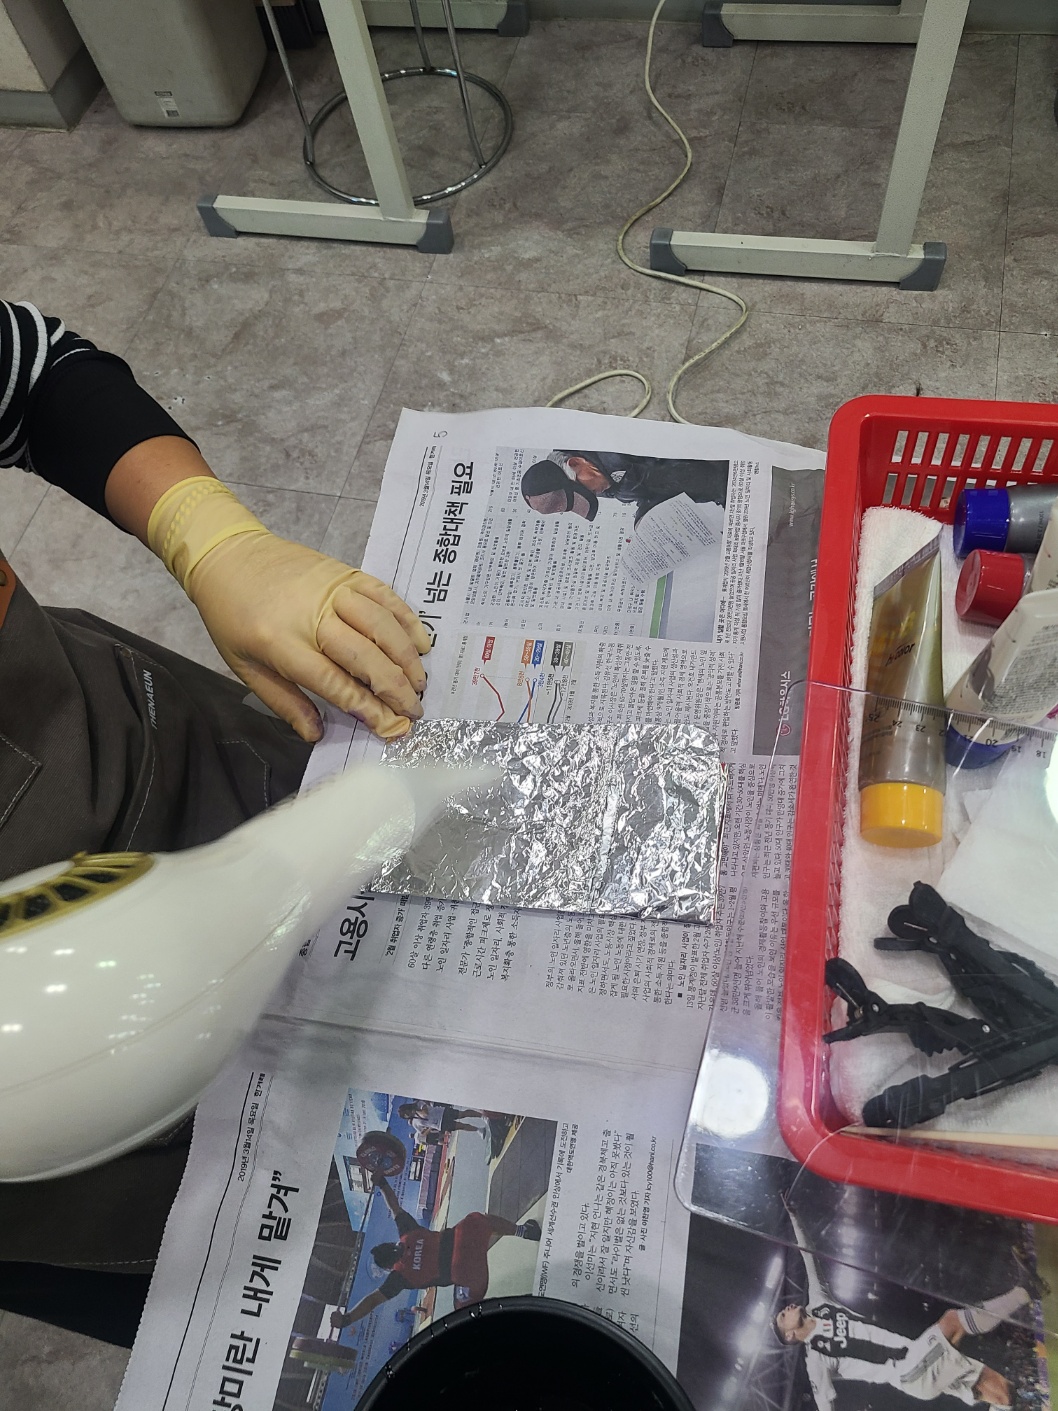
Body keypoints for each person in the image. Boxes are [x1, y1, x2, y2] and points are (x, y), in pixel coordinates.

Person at [0, 300, 432, 1343]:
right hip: (71, 1140)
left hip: (145, 741)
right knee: (316, 1284)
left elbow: (35, 377)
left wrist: (211, 535)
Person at [777, 1203, 1047, 1409]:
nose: (787, 1308)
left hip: (916, 1355)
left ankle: (1032, 1404)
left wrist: (795, 1217)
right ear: (790, 1335)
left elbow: (809, 1258)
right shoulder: (816, 1358)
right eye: (782, 1316)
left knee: (1000, 1391)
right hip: (907, 1370)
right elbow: (825, 1404)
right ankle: (1026, 1291)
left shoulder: (820, 1305)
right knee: (952, 1321)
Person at [330, 1173, 541, 1326]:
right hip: (465, 1236)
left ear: (387, 1267)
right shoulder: (407, 1232)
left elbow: (372, 1300)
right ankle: (525, 1231)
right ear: (390, 1244)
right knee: (481, 1221)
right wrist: (382, 1183)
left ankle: (524, 1305)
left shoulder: (398, 1278)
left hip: (465, 1273)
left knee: (466, 1313)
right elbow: (394, 1207)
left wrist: (348, 1319)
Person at [520, 449, 729, 528]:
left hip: (723, 471)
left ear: (576, 463)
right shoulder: (606, 483)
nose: (596, 494)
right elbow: (648, 493)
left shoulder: (617, 452)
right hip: (719, 494)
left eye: (587, 491)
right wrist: (644, 520)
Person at [396, 1101, 487, 1142]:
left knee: (462, 1114)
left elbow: (425, 1113)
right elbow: (422, 1133)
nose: (408, 1115)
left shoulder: (418, 1104)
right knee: (461, 1126)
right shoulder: (414, 1123)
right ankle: (478, 1129)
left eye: (407, 1112)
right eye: (406, 1116)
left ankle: (482, 1116)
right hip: (439, 1125)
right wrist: (429, 1128)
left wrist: (416, 1111)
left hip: (442, 1113)